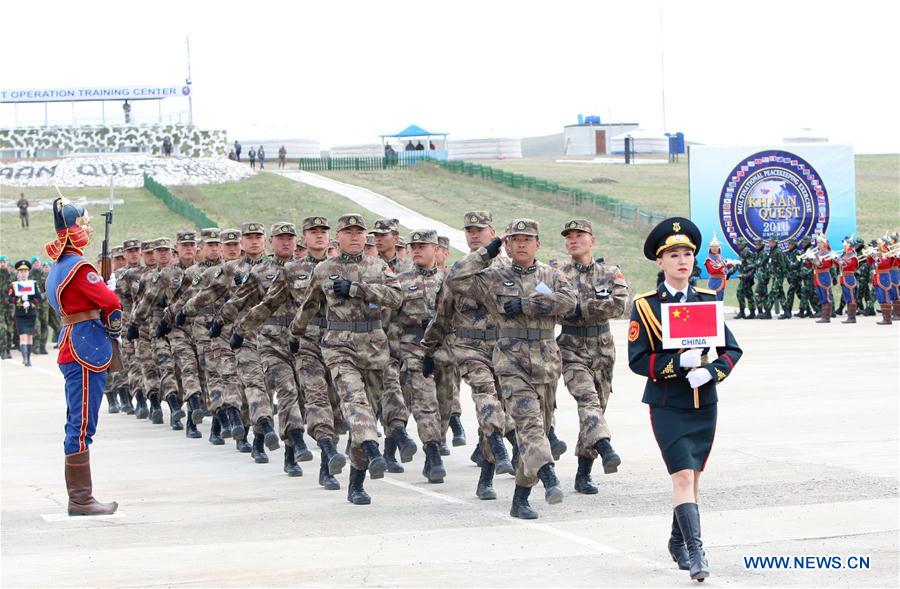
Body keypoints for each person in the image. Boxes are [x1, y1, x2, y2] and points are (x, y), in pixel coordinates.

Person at [628, 217, 742, 581]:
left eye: (688, 254)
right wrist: (678, 363)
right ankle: (696, 553)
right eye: (673, 254)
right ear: (660, 262)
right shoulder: (645, 307)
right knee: (681, 475)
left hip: (703, 404)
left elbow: (731, 350)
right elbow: (637, 360)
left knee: (692, 478)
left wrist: (712, 371)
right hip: (668, 404)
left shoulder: (707, 301)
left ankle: (677, 541)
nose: (683, 260)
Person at [444, 218, 576, 519]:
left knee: (538, 430)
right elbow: (455, 278)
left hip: (545, 361)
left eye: (527, 239)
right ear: (507, 243)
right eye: (514, 239)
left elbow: (569, 302)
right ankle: (549, 477)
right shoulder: (493, 276)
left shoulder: (551, 275)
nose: (520, 243)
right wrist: (487, 251)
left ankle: (520, 498)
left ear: (537, 244)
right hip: (510, 360)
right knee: (528, 425)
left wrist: (530, 304)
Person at [292, 213, 398, 505]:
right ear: (337, 238)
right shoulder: (325, 269)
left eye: (359, 232)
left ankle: (357, 482)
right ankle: (374, 449)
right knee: (354, 402)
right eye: (348, 232)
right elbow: (309, 305)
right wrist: (295, 333)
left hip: (374, 347)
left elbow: (396, 297)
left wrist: (356, 290)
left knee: (368, 411)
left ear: (366, 237)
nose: (354, 237)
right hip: (339, 346)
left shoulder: (379, 266)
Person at [422, 211, 515, 501]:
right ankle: (499, 448)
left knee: (498, 410)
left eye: (480, 230)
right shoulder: (460, 270)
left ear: (493, 232)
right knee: (485, 398)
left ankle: (486, 476)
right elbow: (443, 315)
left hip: (504, 349)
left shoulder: (510, 269)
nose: (474, 235)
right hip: (470, 350)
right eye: (469, 231)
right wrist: (429, 348)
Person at [43, 196, 123, 516]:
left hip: (70, 344)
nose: (87, 230)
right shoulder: (79, 267)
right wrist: (112, 323)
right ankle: (80, 498)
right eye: (83, 225)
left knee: (77, 421)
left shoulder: (58, 267)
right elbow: (112, 303)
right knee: (81, 425)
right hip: (85, 347)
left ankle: (81, 497)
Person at [558, 219, 627, 494]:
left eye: (579, 235)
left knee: (597, 408)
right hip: (571, 346)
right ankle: (605, 446)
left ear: (592, 240)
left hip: (603, 348)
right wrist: (568, 309)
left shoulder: (610, 273)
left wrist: (582, 308)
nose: (573, 240)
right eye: (569, 236)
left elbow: (621, 304)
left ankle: (583, 473)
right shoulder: (556, 274)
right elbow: (548, 303)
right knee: (587, 400)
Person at [9, 260, 41, 366]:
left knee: (29, 336)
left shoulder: (33, 284)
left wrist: (31, 303)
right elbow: (10, 299)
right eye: (21, 271)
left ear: (28, 273)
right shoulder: (14, 285)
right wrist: (18, 300)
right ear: (18, 273)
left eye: (25, 271)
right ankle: (25, 359)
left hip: (31, 313)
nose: (23, 274)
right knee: (23, 336)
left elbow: (39, 298)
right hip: (20, 314)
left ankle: (28, 358)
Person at [809, 234, 835, 323]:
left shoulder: (828, 253)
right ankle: (823, 316)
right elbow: (812, 266)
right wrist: (809, 259)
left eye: (821, 242)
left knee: (826, 295)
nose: (819, 244)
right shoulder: (816, 253)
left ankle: (827, 317)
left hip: (824, 275)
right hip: (817, 276)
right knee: (821, 296)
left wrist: (814, 259)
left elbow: (823, 265)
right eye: (818, 242)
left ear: (824, 244)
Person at [703, 234, 732, 301]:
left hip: (722, 280)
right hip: (714, 282)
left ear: (719, 248)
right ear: (710, 248)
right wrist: (722, 265)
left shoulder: (721, 257)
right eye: (713, 247)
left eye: (716, 247)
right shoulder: (709, 259)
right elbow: (713, 270)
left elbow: (726, 268)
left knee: (721, 298)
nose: (715, 248)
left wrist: (730, 264)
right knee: (714, 299)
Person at [837, 237, 859, 324]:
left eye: (845, 244)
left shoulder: (853, 256)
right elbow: (840, 265)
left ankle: (852, 318)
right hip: (844, 277)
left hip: (849, 277)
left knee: (851, 297)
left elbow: (846, 265)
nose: (844, 245)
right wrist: (835, 259)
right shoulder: (845, 255)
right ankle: (850, 317)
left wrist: (838, 259)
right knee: (847, 297)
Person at [0, 255, 13, 359]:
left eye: (4, 262)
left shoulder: (11, 275)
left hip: (10, 307)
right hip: (0, 308)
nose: (3, 264)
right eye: (1, 262)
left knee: (10, 329)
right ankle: (3, 350)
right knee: (2, 328)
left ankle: (8, 349)